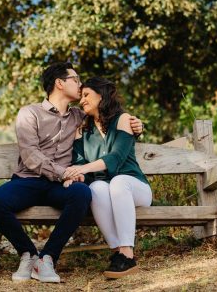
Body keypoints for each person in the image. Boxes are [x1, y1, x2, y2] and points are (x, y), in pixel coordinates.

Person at [0, 62, 143, 283]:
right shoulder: (30, 113)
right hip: (30, 180)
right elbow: (30, 155)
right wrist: (63, 173)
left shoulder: (80, 117)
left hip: (62, 186)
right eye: (76, 80)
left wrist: (138, 125)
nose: (80, 85)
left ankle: (48, 258)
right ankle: (29, 255)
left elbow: (108, 118)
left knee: (82, 194)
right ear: (59, 83)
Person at [63, 77, 152, 279]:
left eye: (86, 95)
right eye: (81, 96)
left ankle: (128, 255)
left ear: (101, 95)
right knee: (96, 188)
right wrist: (75, 176)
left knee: (118, 182)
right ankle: (117, 253)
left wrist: (82, 169)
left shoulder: (122, 119)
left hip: (135, 188)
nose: (82, 100)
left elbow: (116, 157)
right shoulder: (82, 130)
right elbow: (78, 162)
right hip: (109, 190)